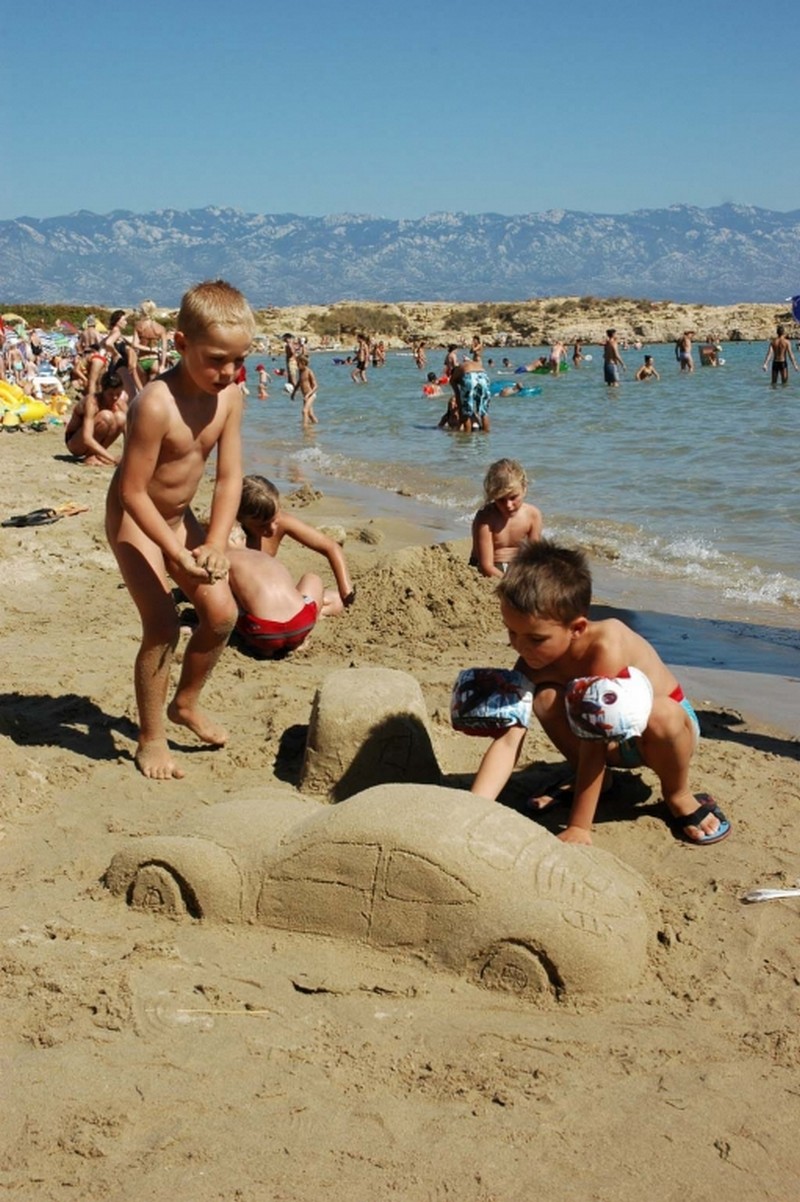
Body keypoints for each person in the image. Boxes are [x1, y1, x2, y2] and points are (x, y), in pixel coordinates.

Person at [469, 540, 731, 847]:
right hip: (601, 739)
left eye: (536, 639)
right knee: (545, 698)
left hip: (663, 736)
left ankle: (678, 794)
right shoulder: (531, 661)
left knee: (661, 714)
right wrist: (473, 808)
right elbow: (509, 738)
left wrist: (579, 827)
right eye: (511, 631)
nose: (520, 647)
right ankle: (600, 780)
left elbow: (596, 737)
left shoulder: (606, 646)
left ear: (577, 628)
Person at [105, 279, 256, 780]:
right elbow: (132, 493)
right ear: (182, 343)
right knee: (163, 625)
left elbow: (229, 478)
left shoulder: (230, 398)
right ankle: (151, 736)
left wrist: (214, 541)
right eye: (216, 360)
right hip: (135, 520)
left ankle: (185, 702)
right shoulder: (155, 404)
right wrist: (173, 552)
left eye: (239, 360)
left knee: (222, 615)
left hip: (179, 518)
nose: (228, 372)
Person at [236, 474, 355, 611]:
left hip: (272, 600)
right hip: (249, 605)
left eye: (275, 519)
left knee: (337, 601)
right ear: (240, 519)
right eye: (263, 525)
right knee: (314, 585)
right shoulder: (233, 539)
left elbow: (330, 547)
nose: (272, 528)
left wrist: (346, 590)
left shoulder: (281, 521)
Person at [227, 545, 326, 658]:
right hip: (300, 625)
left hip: (264, 632)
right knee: (312, 578)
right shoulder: (263, 555)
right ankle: (300, 641)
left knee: (232, 598)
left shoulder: (224, 560)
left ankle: (262, 648)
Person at [469, 459, 543, 577]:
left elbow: (534, 557)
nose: (508, 505)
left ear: (524, 488)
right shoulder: (486, 518)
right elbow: (486, 565)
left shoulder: (533, 515)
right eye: (501, 500)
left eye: (513, 497)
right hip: (494, 567)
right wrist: (509, 582)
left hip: (518, 567)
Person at [64, 370, 128, 465]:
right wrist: (113, 459)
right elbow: (87, 438)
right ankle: (91, 456)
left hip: (89, 440)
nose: (115, 398)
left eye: (118, 394)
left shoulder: (120, 404)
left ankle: (98, 455)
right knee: (106, 416)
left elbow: (129, 433)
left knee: (121, 418)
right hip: (75, 442)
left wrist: (128, 456)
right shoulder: (92, 403)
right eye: (110, 394)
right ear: (103, 391)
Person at [450, 353, 490, 432]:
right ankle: (486, 435)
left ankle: (467, 436)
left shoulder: (453, 378)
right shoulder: (468, 364)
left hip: (469, 376)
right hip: (483, 376)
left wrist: (461, 413)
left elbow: (458, 396)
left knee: (466, 413)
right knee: (484, 412)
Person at [291, 353, 319, 426]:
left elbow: (316, 386)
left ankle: (305, 428)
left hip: (311, 395)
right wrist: (293, 392)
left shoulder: (309, 371)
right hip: (305, 396)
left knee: (304, 411)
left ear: (303, 363)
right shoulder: (300, 371)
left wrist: (308, 395)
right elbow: (299, 382)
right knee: (310, 414)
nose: (297, 366)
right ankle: (317, 425)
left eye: (298, 364)